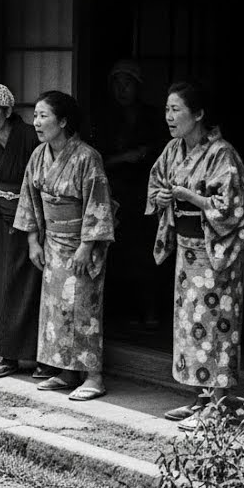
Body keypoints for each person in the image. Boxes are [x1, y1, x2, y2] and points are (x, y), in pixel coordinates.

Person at [146, 81, 244, 432]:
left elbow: (234, 207)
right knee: (190, 325)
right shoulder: (173, 149)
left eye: (176, 109)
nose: (169, 116)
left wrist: (191, 198)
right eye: (167, 109)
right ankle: (199, 399)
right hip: (187, 251)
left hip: (216, 254)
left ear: (199, 114)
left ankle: (219, 406)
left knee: (216, 326)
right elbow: (156, 184)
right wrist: (164, 199)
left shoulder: (223, 153)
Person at [14, 90, 116, 401]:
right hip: (52, 242)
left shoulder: (87, 157)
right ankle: (67, 371)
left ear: (63, 121)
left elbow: (98, 202)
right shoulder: (38, 155)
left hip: (81, 243)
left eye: (43, 116)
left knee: (84, 308)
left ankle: (94, 376)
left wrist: (87, 245)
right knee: (56, 308)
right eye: (35, 116)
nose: (36, 122)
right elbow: (29, 199)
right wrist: (33, 240)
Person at [0, 83, 55, 380]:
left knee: (36, 289)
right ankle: (8, 355)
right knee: (5, 289)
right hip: (5, 224)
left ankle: (44, 358)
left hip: (36, 222)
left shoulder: (31, 138)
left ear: (8, 111)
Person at [99, 59, 169, 328]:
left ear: (138, 86)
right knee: (118, 253)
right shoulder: (106, 119)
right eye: (117, 83)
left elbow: (163, 153)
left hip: (146, 193)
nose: (122, 89)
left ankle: (151, 311)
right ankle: (123, 313)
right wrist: (125, 157)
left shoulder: (153, 117)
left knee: (147, 252)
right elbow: (97, 158)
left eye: (127, 83)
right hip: (115, 193)